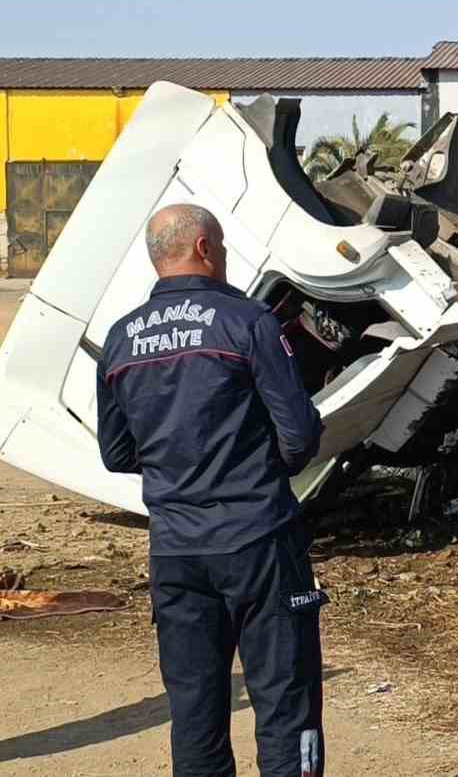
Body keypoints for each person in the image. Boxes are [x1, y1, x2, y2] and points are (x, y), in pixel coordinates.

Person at [96, 203, 327, 777]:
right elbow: (298, 436)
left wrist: (179, 467)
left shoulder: (121, 339)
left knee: (194, 710)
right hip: (259, 539)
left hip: (175, 550)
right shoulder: (248, 322)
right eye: (221, 246)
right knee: (285, 701)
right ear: (204, 248)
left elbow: (115, 453)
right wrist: (250, 470)